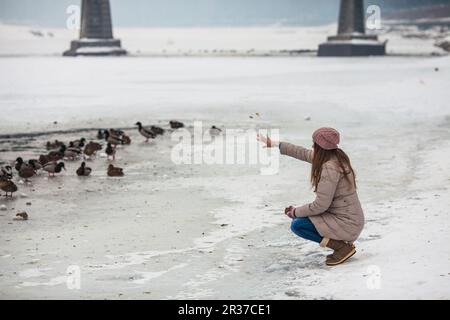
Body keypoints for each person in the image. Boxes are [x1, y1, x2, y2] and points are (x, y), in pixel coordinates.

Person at [257, 127, 364, 266]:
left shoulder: (329, 168)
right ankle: (341, 246)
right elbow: (302, 153)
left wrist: (295, 212)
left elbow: (320, 205)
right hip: (347, 217)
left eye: (314, 143)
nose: (312, 146)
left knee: (299, 225)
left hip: (347, 223)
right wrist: (276, 144)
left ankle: (341, 248)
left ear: (321, 146)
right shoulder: (334, 157)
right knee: (300, 220)